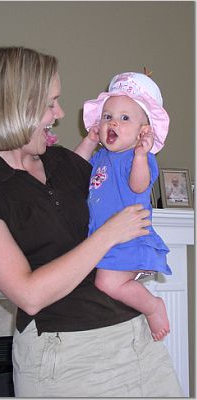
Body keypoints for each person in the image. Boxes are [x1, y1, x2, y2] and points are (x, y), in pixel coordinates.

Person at [0, 48, 183, 397]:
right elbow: (28, 295)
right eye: (50, 103)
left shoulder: (61, 161)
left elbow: (122, 192)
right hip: (68, 357)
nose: (59, 114)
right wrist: (108, 236)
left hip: (137, 341)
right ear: (15, 106)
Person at [75, 72, 171, 341]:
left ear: (143, 132)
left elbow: (139, 186)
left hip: (128, 238)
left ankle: (153, 307)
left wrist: (141, 155)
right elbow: (73, 170)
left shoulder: (139, 157)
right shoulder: (100, 156)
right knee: (95, 285)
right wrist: (89, 140)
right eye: (107, 117)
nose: (113, 122)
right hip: (102, 239)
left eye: (124, 118)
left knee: (107, 283)